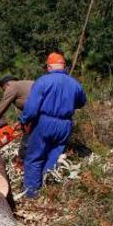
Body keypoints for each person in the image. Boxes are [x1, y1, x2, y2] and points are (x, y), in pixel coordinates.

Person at [19, 52, 87, 198]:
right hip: (65, 125)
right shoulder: (75, 83)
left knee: (34, 158)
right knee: (54, 158)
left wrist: (24, 120)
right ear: (63, 66)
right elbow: (81, 102)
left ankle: (31, 194)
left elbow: (31, 109)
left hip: (44, 122)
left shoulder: (43, 81)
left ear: (49, 66)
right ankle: (49, 191)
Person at [0, 75, 35, 166]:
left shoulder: (12, 87)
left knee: (27, 143)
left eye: (3, 89)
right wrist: (21, 121)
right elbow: (30, 104)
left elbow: (2, 107)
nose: (4, 91)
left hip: (38, 116)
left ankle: (23, 165)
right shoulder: (25, 84)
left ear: (7, 84)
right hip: (44, 114)